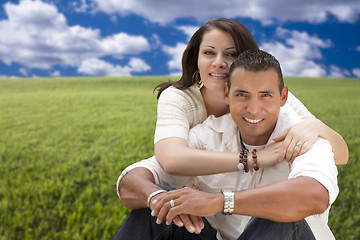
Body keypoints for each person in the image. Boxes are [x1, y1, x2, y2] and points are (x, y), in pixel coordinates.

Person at [115, 50, 338, 240]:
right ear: (226, 94)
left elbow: (314, 196)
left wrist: (220, 202)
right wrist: (156, 197)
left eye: (265, 96)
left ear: (283, 96)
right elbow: (131, 182)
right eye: (242, 94)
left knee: (281, 217)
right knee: (155, 211)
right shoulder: (208, 135)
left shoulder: (303, 136)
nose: (253, 108)